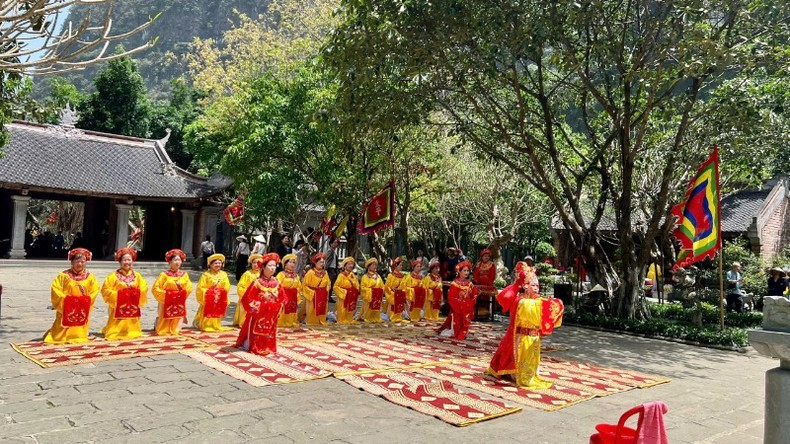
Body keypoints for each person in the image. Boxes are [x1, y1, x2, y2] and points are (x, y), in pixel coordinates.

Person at [487, 262, 564, 389]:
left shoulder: (537, 300)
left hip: (534, 338)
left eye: (538, 285)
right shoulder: (521, 301)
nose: (536, 288)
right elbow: (534, 309)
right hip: (521, 339)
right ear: (525, 286)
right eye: (533, 285)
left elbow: (547, 307)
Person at [43, 248, 100, 344]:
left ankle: (78, 336)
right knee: (61, 327)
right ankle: (60, 336)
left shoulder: (90, 277)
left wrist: (86, 299)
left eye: (83, 261)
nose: (80, 264)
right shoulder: (63, 276)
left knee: (80, 323)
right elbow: (56, 289)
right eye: (77, 261)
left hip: (82, 307)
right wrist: (67, 299)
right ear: (72, 262)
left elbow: (94, 291)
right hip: (67, 306)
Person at [235, 253, 286, 356]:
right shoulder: (257, 282)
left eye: (274, 266)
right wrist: (257, 306)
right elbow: (247, 299)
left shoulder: (277, 282)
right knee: (256, 329)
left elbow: (283, 298)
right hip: (258, 313)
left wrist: (279, 305)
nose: (272, 268)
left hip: (271, 313)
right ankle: (253, 345)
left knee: (269, 329)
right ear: (263, 267)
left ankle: (267, 346)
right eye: (270, 265)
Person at [100, 247, 148, 341]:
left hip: (132, 305)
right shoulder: (113, 276)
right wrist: (118, 295)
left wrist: (136, 293)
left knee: (132, 322)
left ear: (132, 261)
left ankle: (132, 330)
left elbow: (144, 287)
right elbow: (105, 289)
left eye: (129, 260)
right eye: (124, 260)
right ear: (120, 261)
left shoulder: (137, 276)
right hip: (118, 306)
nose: (127, 262)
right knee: (116, 325)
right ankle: (115, 332)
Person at [152, 249, 193, 336]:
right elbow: (155, 288)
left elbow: (189, 287)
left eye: (179, 260)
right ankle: (163, 328)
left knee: (177, 315)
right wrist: (166, 295)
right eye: (175, 260)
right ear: (170, 261)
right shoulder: (164, 275)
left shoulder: (184, 275)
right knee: (164, 315)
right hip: (166, 300)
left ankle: (176, 329)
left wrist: (182, 294)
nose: (177, 262)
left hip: (179, 300)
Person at [437, 261, 479, 340]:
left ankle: (462, 333)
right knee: (456, 327)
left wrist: (469, 302)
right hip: (457, 309)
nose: (466, 272)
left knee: (466, 321)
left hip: (466, 308)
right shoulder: (455, 283)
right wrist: (460, 304)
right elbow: (451, 298)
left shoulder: (470, 284)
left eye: (467, 271)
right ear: (459, 271)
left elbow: (474, 294)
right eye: (464, 271)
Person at [194, 253, 231, 331]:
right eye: (215, 263)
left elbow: (227, 285)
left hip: (219, 297)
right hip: (209, 298)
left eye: (219, 263)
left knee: (217, 312)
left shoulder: (224, 274)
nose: (218, 265)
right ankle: (206, 325)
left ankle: (216, 325)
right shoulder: (206, 275)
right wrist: (210, 291)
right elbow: (201, 287)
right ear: (210, 264)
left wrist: (221, 291)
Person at [233, 253, 263, 327]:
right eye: (254, 262)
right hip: (248, 296)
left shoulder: (263, 274)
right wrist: (247, 295)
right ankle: (244, 323)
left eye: (258, 263)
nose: (256, 264)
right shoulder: (247, 274)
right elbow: (240, 286)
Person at [303, 253, 331, 325]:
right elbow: (304, 285)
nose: (322, 264)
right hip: (313, 294)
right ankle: (311, 322)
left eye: (323, 262)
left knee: (323, 307)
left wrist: (326, 290)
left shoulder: (325, 273)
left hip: (322, 294)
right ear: (315, 262)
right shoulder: (310, 273)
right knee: (312, 309)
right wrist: (312, 292)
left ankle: (321, 320)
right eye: (320, 262)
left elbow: (328, 283)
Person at [277, 253, 302, 327]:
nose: (292, 264)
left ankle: (291, 321)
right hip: (284, 295)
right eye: (290, 262)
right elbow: (277, 286)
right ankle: (282, 321)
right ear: (285, 264)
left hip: (293, 295)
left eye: (294, 262)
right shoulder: (281, 274)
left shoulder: (296, 275)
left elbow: (299, 286)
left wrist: (297, 293)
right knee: (284, 309)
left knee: (292, 308)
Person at [334, 257, 360, 325]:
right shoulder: (341, 275)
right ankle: (341, 319)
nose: (351, 266)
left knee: (351, 307)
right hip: (344, 296)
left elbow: (357, 285)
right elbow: (335, 287)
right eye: (349, 264)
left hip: (352, 295)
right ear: (345, 265)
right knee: (343, 308)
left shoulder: (353, 275)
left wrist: (355, 287)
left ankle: (349, 319)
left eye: (352, 264)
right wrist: (344, 292)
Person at [358, 258, 385, 323]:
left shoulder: (378, 276)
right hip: (369, 297)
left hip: (377, 295)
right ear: (368, 266)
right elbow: (362, 287)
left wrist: (381, 290)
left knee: (376, 308)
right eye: (373, 265)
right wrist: (370, 290)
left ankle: (376, 317)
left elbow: (382, 286)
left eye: (375, 265)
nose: (375, 266)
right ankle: (366, 317)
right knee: (368, 307)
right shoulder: (365, 277)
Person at [385, 257, 408, 323]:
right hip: (393, 295)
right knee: (393, 304)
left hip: (400, 294)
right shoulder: (390, 275)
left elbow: (404, 286)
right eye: (400, 265)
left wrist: (402, 291)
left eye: (401, 265)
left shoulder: (403, 276)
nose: (401, 266)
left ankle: (399, 317)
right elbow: (387, 287)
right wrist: (392, 293)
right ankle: (392, 317)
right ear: (396, 266)